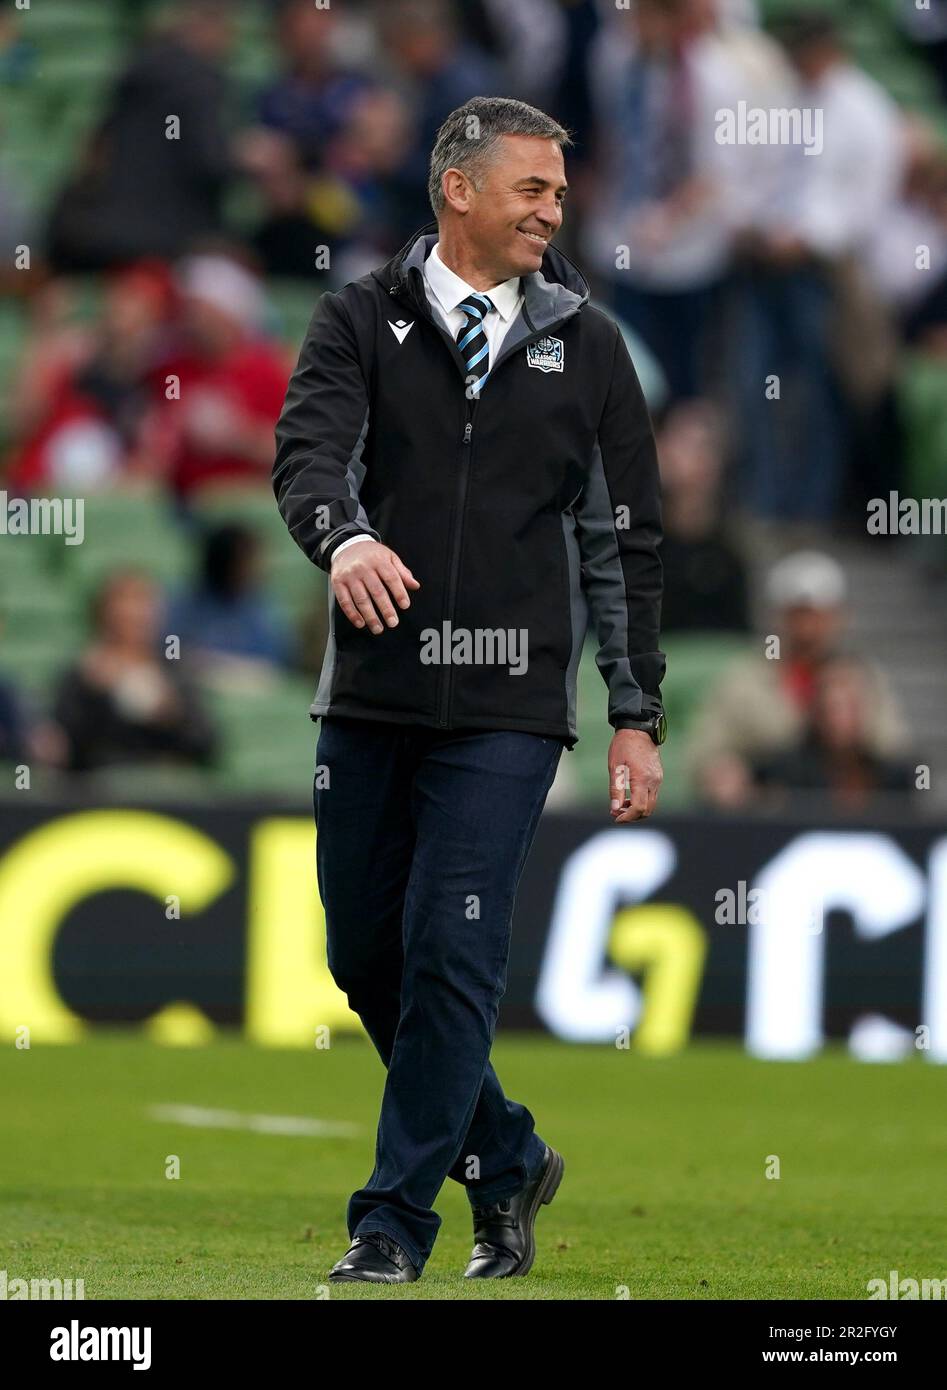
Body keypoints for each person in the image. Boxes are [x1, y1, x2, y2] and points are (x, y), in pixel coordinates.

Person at [273, 96, 666, 1284]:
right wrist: (340, 539)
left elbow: (624, 540)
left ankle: (390, 1222)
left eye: (557, 191)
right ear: (458, 188)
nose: (554, 210)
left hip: (509, 704)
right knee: (364, 953)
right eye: (531, 189)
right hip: (371, 696)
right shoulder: (355, 318)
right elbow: (306, 454)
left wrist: (633, 710)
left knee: (452, 946)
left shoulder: (589, 346)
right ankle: (503, 1152)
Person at [687, 551, 907, 808]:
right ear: (778, 617)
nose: (808, 629)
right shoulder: (744, 679)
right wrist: (722, 771)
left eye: (819, 616)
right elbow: (705, 749)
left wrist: (851, 737)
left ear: (839, 617)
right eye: (798, 615)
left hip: (846, 809)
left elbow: (893, 747)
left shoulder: (865, 677)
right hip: (767, 810)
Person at [51, 570, 216, 774]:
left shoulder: (174, 673)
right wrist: (97, 694)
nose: (134, 613)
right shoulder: (82, 675)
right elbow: (68, 751)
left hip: (168, 790)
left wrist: (172, 715)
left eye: (143, 603)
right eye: (124, 604)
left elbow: (206, 743)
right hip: (106, 789)